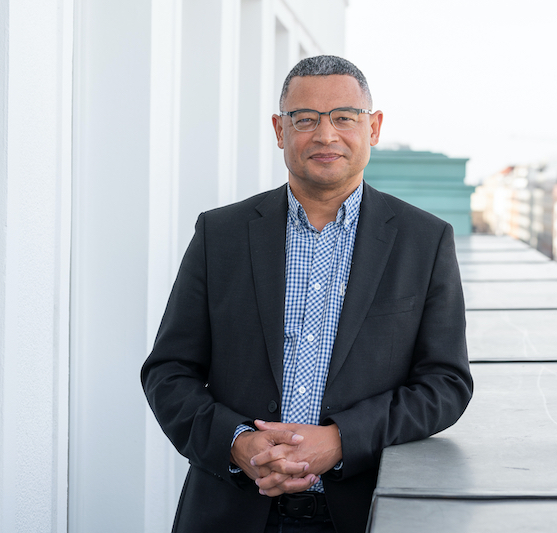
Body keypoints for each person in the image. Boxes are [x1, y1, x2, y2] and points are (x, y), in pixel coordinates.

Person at [141, 55, 472, 533]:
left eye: (344, 117)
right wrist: (237, 443)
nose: (325, 135)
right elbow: (168, 371)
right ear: (279, 130)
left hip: (361, 515)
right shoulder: (221, 234)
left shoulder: (425, 241)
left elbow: (446, 383)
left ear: (373, 127)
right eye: (305, 119)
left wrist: (342, 440)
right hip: (231, 512)